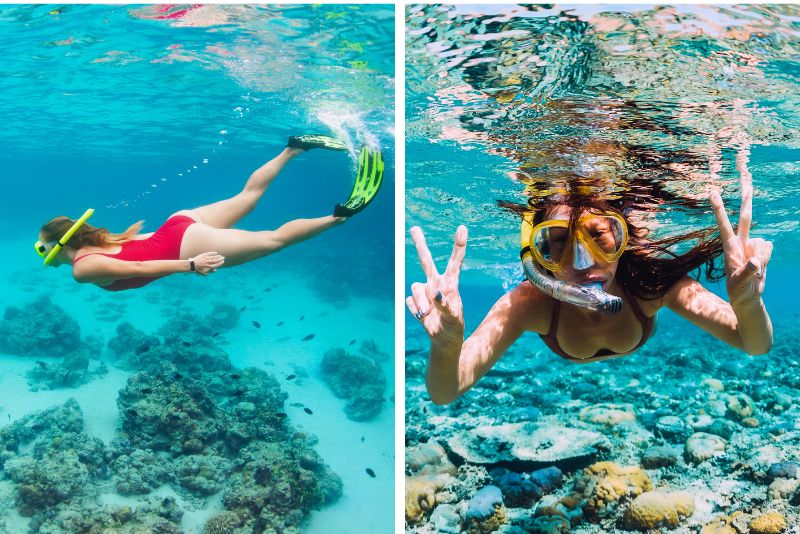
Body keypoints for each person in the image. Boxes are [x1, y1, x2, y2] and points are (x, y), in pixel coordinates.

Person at [407, 147, 772, 405]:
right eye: (558, 243)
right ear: (538, 256)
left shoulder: (647, 284)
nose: (581, 263)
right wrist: (446, 345)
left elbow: (754, 343)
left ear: (622, 239)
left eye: (599, 236)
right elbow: (444, 393)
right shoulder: (529, 303)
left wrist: (746, 303)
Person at [35, 135, 384, 292]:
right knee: (248, 196)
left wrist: (191, 265)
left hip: (187, 247)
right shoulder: (100, 240)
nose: (42, 253)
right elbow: (141, 246)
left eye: (42, 247)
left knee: (274, 240)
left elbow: (140, 266)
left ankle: (341, 215)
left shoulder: (83, 269)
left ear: (58, 245)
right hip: (178, 226)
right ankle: (293, 148)